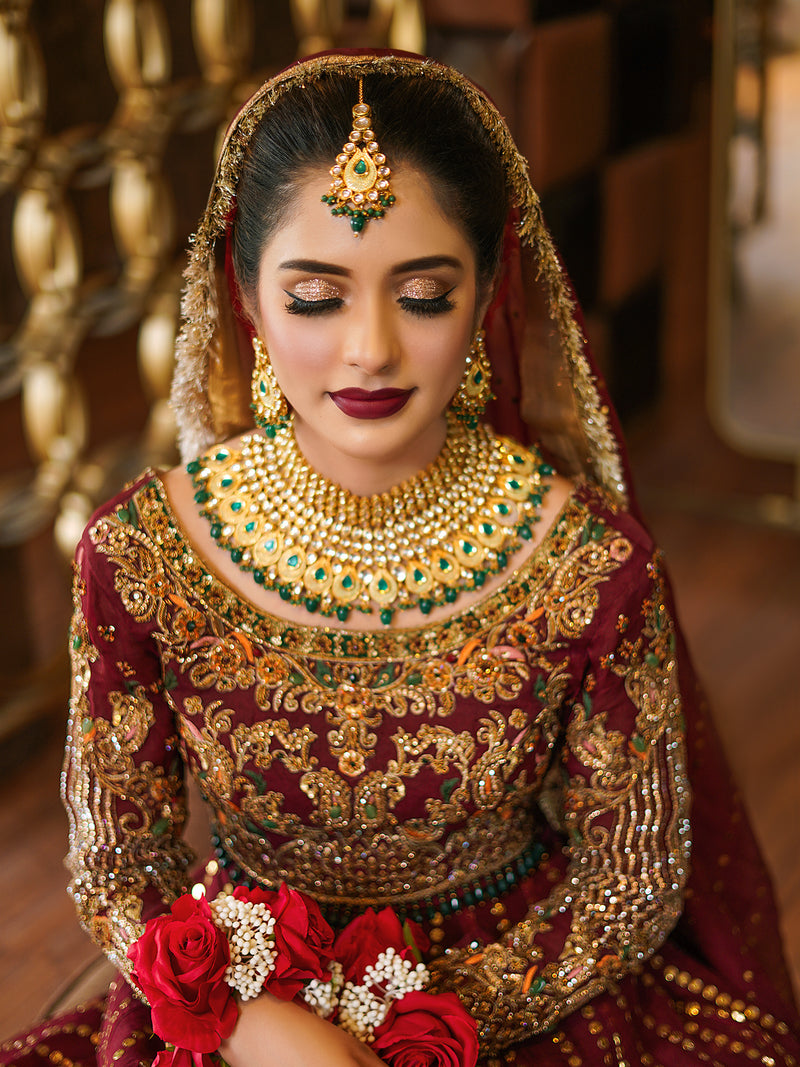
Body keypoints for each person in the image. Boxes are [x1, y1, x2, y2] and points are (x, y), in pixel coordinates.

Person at [2, 51, 798, 1067]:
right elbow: (118, 864)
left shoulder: (584, 562)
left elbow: (628, 882)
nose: (368, 348)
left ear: (482, 297)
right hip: (242, 1001)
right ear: (247, 299)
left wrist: (417, 1028)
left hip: (517, 998)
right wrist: (258, 1021)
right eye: (315, 296)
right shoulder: (145, 553)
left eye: (421, 294)